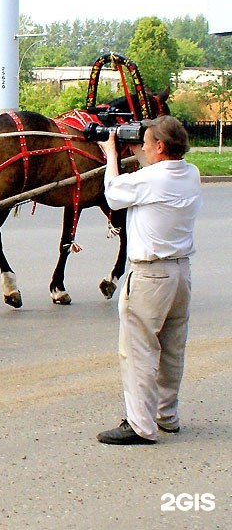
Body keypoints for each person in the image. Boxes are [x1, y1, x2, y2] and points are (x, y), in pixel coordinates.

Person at [95, 115, 202, 445]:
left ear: (160, 146)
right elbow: (152, 169)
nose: (140, 147)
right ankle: (166, 416)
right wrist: (134, 144)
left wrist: (111, 154)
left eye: (145, 142)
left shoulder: (152, 181)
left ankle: (140, 425)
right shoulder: (190, 173)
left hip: (150, 276)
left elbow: (113, 195)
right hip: (180, 274)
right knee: (171, 349)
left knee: (138, 350)